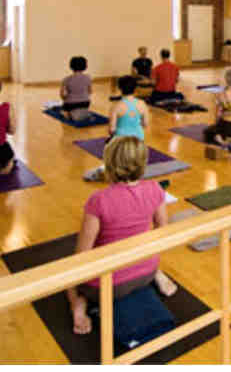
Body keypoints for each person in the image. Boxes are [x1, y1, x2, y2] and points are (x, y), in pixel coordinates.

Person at [67, 136, 177, 335]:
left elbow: (82, 255)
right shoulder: (155, 188)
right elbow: (163, 231)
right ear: (142, 164)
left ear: (109, 164)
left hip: (105, 288)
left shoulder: (98, 200)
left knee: (69, 269)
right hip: (146, 273)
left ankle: (78, 305)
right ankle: (158, 275)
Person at [204, 68, 231, 147]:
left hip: (227, 126)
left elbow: (217, 114)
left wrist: (216, 125)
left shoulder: (221, 94)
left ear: (226, 79)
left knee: (208, 132)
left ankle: (221, 138)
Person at [110, 76, 149, 141]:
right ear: (135, 88)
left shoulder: (116, 106)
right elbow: (145, 124)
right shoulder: (142, 104)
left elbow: (112, 129)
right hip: (138, 138)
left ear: (120, 88)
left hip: (121, 139)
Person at [0, 76, 16, 175]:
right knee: (10, 155)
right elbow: (12, 131)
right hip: (1, 152)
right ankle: (6, 166)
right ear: (0, 89)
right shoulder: (7, 107)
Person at [61, 56, 92, 120]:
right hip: (85, 103)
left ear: (71, 66)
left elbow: (62, 94)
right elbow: (90, 91)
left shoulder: (66, 79)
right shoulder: (88, 78)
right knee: (82, 109)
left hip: (70, 104)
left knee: (63, 111)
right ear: (85, 66)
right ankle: (83, 113)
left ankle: (69, 114)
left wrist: (65, 99)